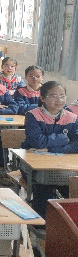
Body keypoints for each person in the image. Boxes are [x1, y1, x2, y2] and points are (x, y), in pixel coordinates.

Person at [21, 81, 78, 217]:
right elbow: (37, 142)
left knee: (72, 189)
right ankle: (42, 224)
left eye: (62, 96)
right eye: (53, 96)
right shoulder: (33, 115)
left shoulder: (72, 117)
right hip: (34, 167)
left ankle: (67, 223)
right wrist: (64, 139)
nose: (59, 100)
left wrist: (52, 149)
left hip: (64, 167)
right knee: (43, 189)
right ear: (42, 98)